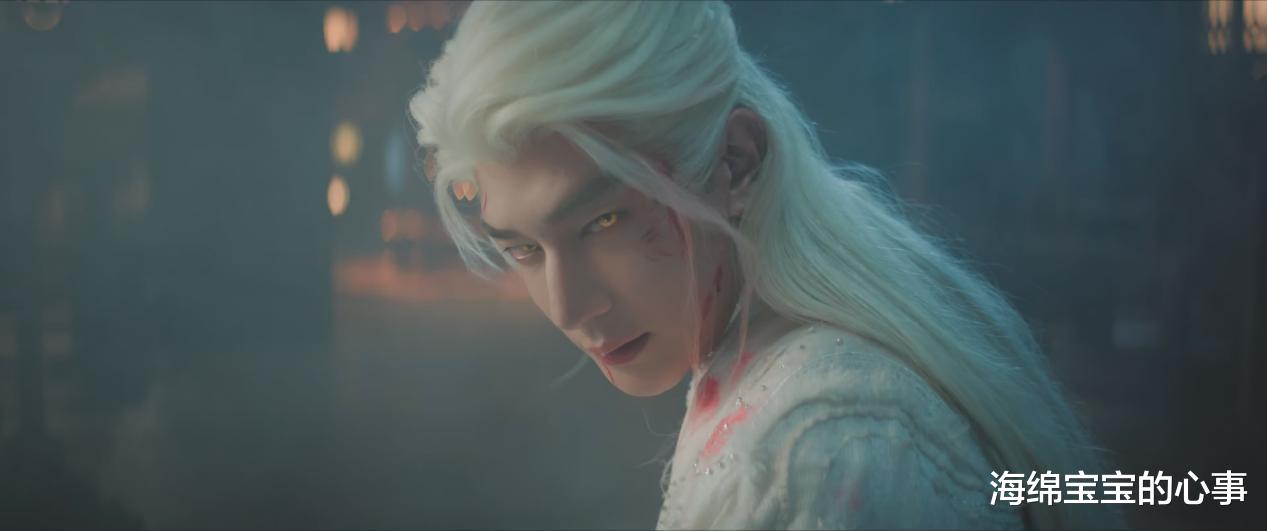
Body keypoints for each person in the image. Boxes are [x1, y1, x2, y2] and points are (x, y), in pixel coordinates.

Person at [409, 2, 1125, 529]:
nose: (567, 306)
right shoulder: (802, 384)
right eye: (523, 249)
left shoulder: (815, 452)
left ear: (737, 161)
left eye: (605, 221)